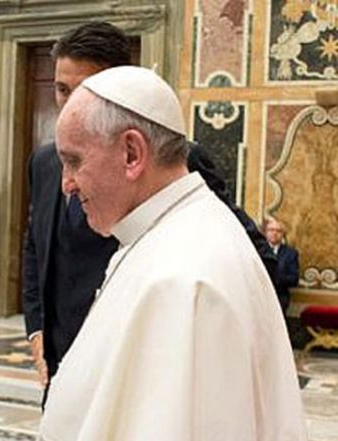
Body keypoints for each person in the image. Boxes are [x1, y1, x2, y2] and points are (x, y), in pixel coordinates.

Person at [0, 66, 307, 441]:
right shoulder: (163, 233)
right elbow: (120, 412)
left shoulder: (185, 276)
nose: (65, 183)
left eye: (75, 161)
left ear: (132, 153)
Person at [21, 22, 274, 403]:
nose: (71, 104)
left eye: (86, 90)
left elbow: (255, 263)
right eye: (61, 90)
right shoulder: (43, 163)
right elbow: (35, 247)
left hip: (137, 382)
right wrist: (37, 330)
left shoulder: (176, 161)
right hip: (63, 377)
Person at [264, 216, 300, 312]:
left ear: (283, 234)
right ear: (265, 233)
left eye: (278, 231)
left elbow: (294, 279)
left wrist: (275, 279)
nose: (274, 233)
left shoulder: (291, 253)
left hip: (279, 298)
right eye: (271, 230)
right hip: (259, 296)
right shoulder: (257, 251)